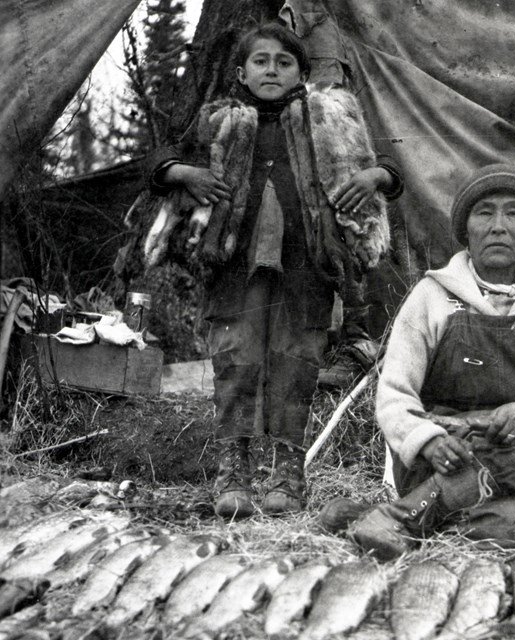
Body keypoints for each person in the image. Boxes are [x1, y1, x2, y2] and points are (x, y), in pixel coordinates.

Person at [147, 22, 403, 520]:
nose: (271, 70)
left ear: (302, 74)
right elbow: (161, 158)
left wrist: (374, 176)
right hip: (233, 266)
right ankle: (233, 472)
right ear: (241, 73)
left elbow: (387, 169)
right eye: (260, 61)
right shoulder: (218, 122)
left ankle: (288, 474)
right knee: (235, 361)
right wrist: (183, 173)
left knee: (295, 363)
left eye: (284, 62)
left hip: (306, 266)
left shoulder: (328, 119)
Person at [320, 164, 515, 559]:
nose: (498, 226)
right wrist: (430, 442)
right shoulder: (431, 296)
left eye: (514, 213)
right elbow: (394, 395)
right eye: (484, 212)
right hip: (441, 459)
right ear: (465, 230)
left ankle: (394, 517)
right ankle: (414, 513)